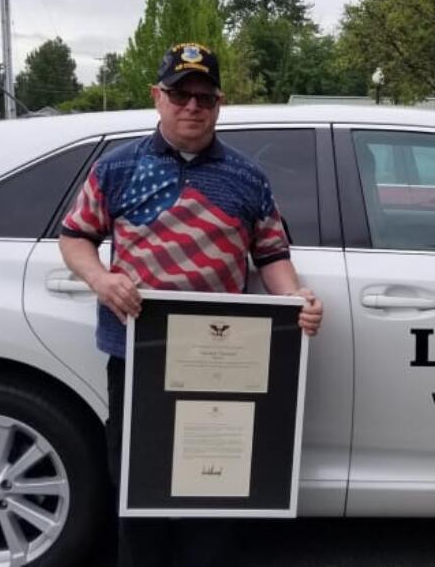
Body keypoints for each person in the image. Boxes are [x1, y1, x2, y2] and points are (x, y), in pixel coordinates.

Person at [58, 42, 324, 566]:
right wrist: (100, 279)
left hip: (224, 364)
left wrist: (295, 296)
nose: (192, 107)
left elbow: (271, 253)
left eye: (204, 97)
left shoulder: (248, 177)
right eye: (180, 94)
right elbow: (75, 237)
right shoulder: (117, 169)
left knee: (218, 492)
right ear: (158, 96)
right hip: (141, 356)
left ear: (219, 103)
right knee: (141, 491)